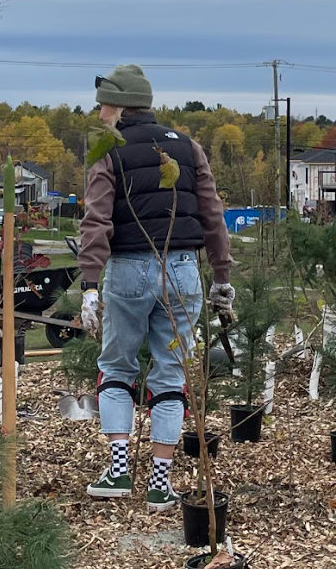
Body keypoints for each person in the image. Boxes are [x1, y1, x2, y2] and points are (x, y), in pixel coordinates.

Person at [75, 64, 234, 511]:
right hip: (182, 270)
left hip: (127, 271)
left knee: (117, 368)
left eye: (103, 103)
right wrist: (221, 276)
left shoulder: (108, 150)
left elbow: (96, 222)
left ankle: (119, 472)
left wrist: (90, 285)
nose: (99, 111)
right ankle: (160, 484)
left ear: (120, 106)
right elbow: (212, 215)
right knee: (171, 372)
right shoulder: (188, 148)